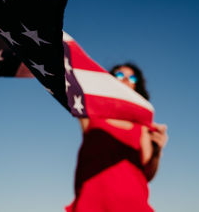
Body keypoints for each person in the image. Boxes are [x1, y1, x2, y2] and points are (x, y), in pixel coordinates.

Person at [66, 63, 168, 212]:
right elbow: (70, 84)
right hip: (91, 205)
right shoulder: (91, 115)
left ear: (136, 86)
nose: (125, 80)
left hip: (133, 205)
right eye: (119, 75)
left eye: (132, 78)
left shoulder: (142, 126)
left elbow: (148, 173)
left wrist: (157, 153)